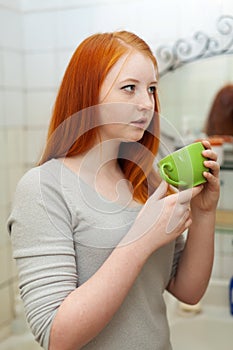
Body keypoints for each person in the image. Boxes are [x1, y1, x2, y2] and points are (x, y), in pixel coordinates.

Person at [7, 31, 220, 350]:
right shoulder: (43, 188)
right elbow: (56, 336)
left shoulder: (148, 180)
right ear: (88, 94)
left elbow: (188, 291)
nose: (146, 104)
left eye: (151, 89)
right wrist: (142, 239)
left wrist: (204, 213)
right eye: (129, 88)